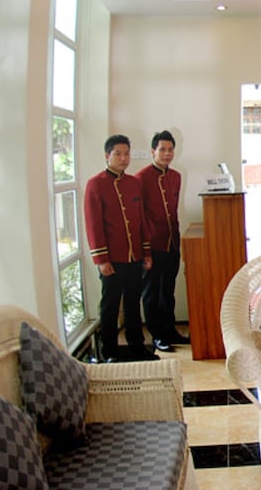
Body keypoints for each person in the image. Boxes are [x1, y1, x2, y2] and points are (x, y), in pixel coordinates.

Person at [84, 134, 157, 362]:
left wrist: (146, 252)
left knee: (134, 303)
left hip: (135, 256)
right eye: (118, 154)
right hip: (112, 258)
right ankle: (110, 352)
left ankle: (137, 346)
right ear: (107, 155)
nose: (124, 158)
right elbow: (93, 225)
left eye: (127, 154)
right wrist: (101, 260)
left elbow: (140, 220)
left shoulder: (134, 183)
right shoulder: (95, 184)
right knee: (110, 306)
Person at [136, 130, 188, 353]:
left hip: (171, 243)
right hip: (152, 245)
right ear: (153, 151)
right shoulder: (141, 178)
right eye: (162, 149)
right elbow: (139, 217)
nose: (167, 154)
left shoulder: (176, 176)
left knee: (168, 291)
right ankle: (157, 335)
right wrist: (145, 250)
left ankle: (170, 330)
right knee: (151, 294)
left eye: (170, 149)